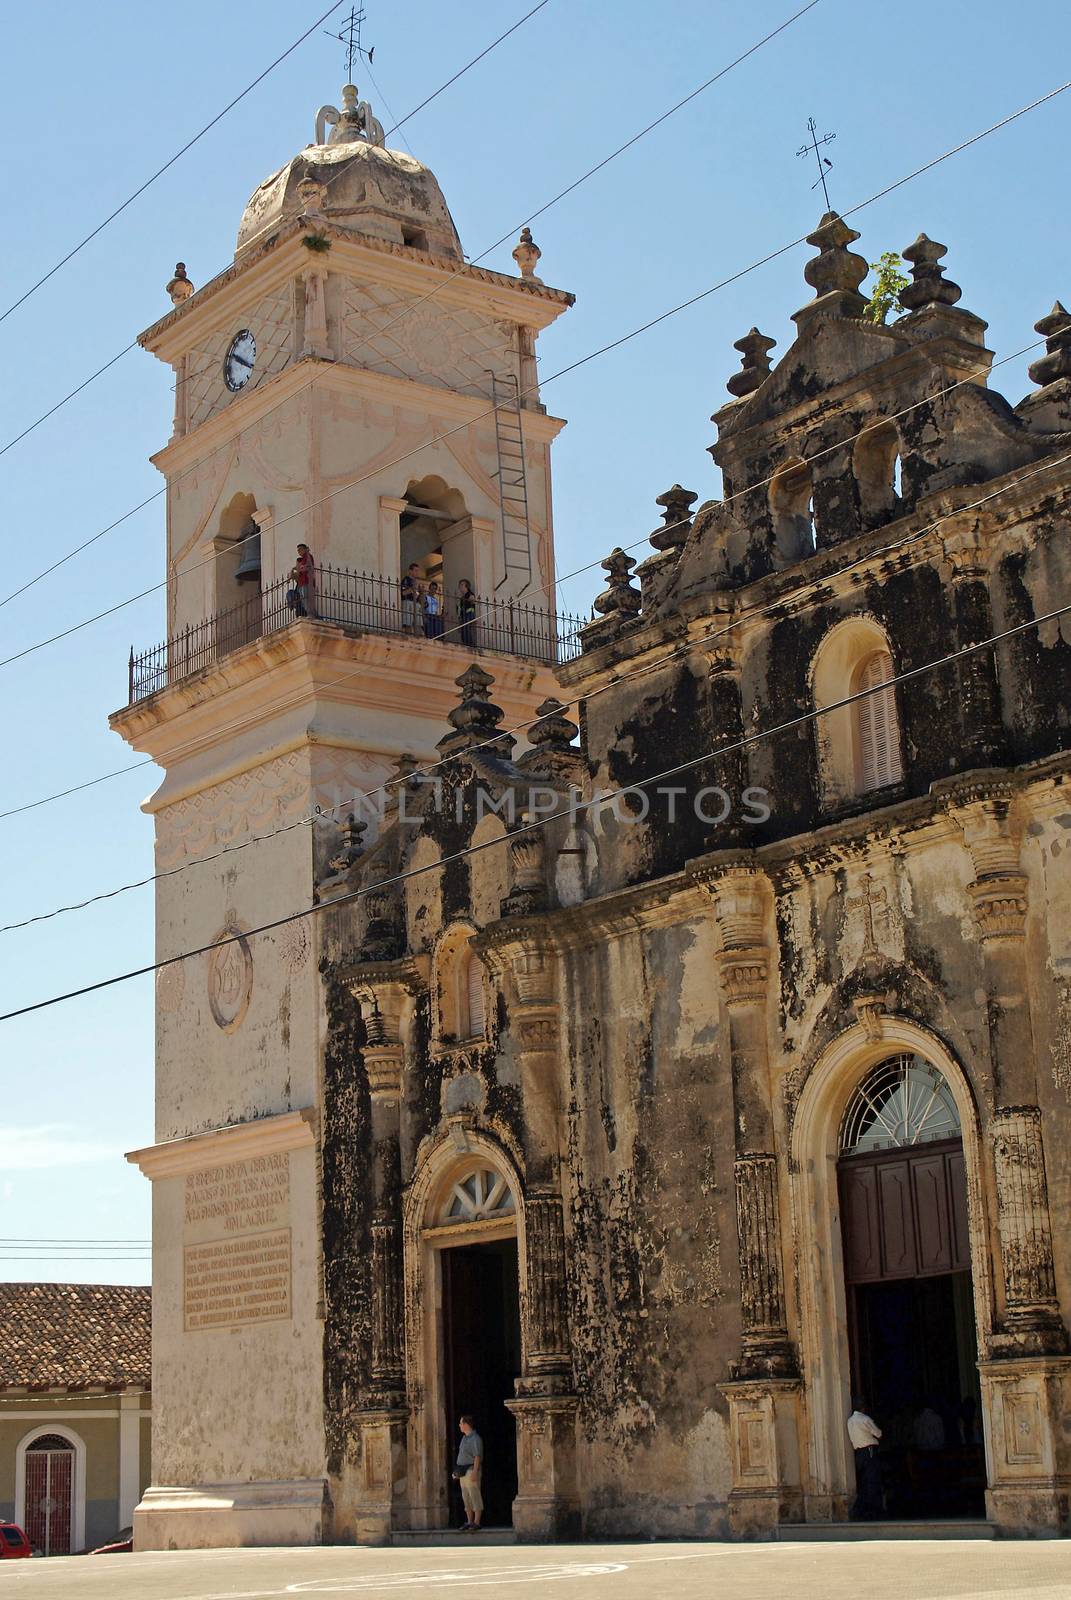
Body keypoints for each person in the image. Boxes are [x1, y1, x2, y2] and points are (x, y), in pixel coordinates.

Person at [847, 1397, 883, 1520]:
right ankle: (870, 1510)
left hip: (859, 1453)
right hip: (869, 1451)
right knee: (872, 1481)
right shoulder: (865, 1419)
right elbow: (878, 1433)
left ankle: (862, 1509)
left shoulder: (850, 1421)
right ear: (863, 1407)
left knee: (863, 1481)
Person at [452, 1414, 483, 1531]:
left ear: (466, 1424)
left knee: (474, 1494)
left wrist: (475, 1471)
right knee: (466, 1496)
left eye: (461, 1423)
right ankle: (469, 1521)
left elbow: (477, 1457)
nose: (459, 1425)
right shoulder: (464, 1438)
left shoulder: (475, 1438)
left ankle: (476, 1521)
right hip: (462, 1471)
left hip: (471, 1469)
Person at [289, 543, 316, 618]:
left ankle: (311, 614)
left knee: (306, 598)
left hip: (307, 581)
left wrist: (298, 569)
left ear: (304, 549)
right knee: (304, 599)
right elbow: (299, 568)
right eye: (298, 550)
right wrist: (293, 570)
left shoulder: (308, 556)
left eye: (300, 549)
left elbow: (307, 567)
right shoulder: (302, 559)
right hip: (302, 582)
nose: (299, 551)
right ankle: (310, 613)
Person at [401, 562, 423, 634]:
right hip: (408, 602)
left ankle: (418, 638)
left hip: (415, 603)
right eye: (415, 570)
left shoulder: (415, 582)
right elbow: (403, 593)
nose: (417, 572)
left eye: (418, 571)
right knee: (408, 623)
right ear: (410, 571)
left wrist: (420, 592)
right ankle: (409, 636)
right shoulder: (406, 580)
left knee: (418, 623)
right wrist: (411, 589)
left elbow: (417, 595)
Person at [457, 578, 478, 648]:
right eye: (460, 585)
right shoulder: (462, 598)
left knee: (467, 631)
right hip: (464, 616)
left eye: (462, 585)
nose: (460, 586)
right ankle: (466, 644)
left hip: (469, 615)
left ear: (466, 586)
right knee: (463, 632)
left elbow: (473, 601)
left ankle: (470, 645)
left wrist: (471, 600)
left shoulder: (470, 594)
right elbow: (460, 609)